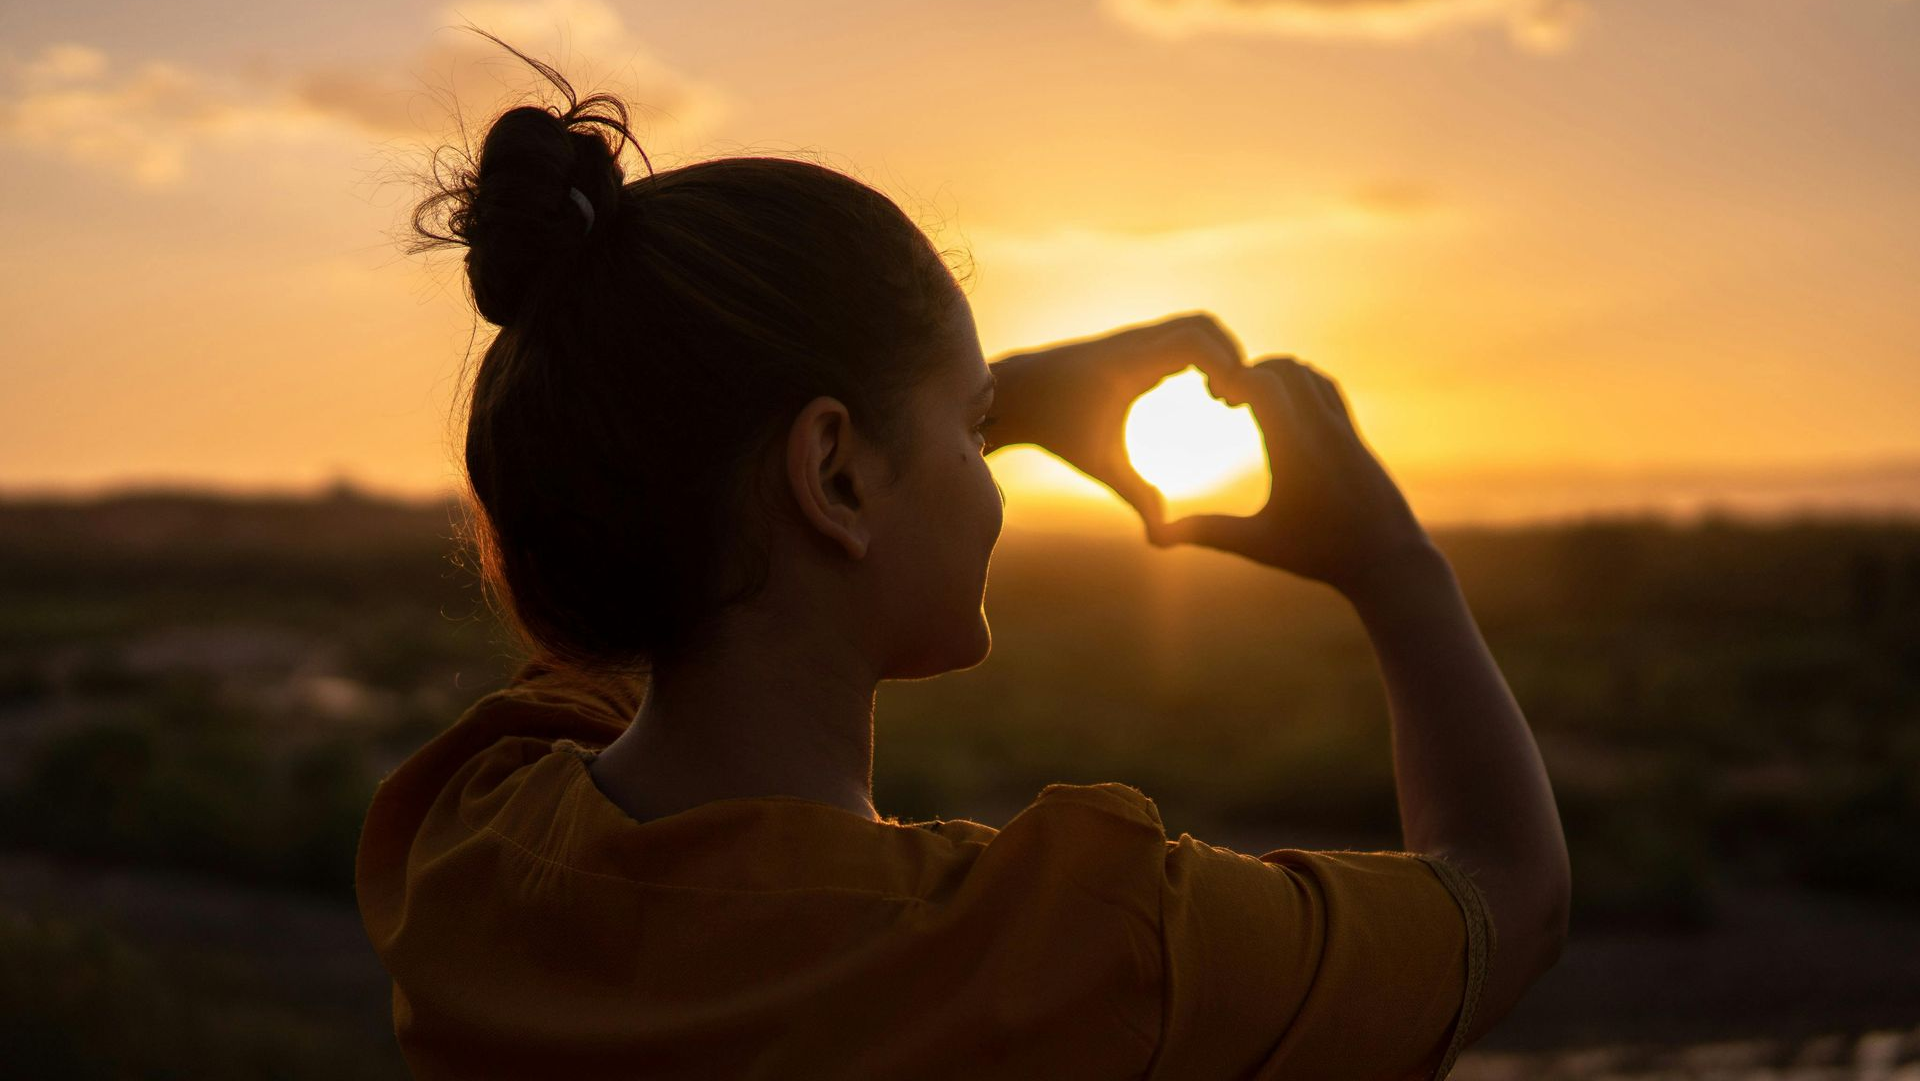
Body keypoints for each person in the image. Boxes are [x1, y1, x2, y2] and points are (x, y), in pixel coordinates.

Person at [355, 40, 1570, 1081]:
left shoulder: (470, 839)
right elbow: (1506, 897)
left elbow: (681, 548)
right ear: (832, 474)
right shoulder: (1073, 948)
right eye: (974, 429)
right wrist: (1396, 565)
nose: (992, 479)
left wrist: (947, 415)